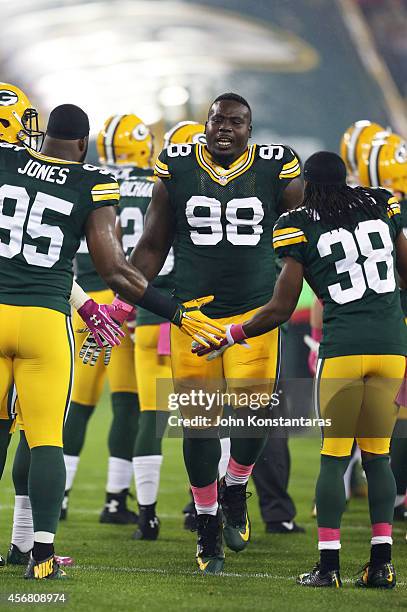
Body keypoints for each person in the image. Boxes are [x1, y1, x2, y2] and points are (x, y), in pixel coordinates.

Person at [0, 92, 224, 579]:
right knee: (44, 440)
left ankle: (18, 543)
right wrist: (177, 313)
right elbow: (118, 272)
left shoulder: (6, 160)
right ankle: (40, 559)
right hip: (43, 320)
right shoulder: (93, 183)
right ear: (83, 144)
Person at [195, 151, 407, 589]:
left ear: (307, 185)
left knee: (333, 459)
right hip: (391, 346)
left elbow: (280, 306)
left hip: (343, 347)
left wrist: (232, 334)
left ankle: (329, 567)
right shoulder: (382, 204)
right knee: (378, 456)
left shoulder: (299, 223)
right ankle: (381, 564)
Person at [128, 92, 303, 574]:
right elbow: (153, 243)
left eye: (236, 122)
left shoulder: (279, 166)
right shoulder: (177, 163)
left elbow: (299, 242)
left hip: (253, 316)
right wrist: (125, 296)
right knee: (200, 428)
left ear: (251, 128)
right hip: (195, 317)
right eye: (217, 120)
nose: (225, 128)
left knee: (253, 419)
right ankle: (207, 524)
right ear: (204, 124)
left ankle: (236, 484)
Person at [61, 113, 156, 526]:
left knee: (77, 405)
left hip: (84, 300)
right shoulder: (157, 184)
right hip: (127, 302)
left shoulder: (91, 178)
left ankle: (59, 496)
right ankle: (116, 500)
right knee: (127, 404)